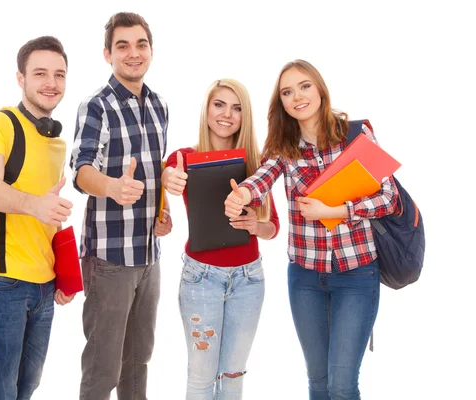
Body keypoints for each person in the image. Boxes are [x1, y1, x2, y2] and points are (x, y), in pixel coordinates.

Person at [224, 60, 399, 400]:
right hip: (305, 278)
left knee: (342, 384)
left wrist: (336, 210)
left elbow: (389, 197)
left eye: (304, 86)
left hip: (357, 274)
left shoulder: (355, 134)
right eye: (287, 92)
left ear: (319, 88)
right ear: (282, 103)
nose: (297, 97)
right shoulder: (282, 146)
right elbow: (262, 179)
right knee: (318, 384)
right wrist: (241, 194)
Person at [69, 12, 171, 400]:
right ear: (108, 54)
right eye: (123, 46)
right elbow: (81, 171)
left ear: (151, 50)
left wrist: (163, 210)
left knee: (138, 362)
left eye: (140, 44)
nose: (133, 53)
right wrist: (112, 186)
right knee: (102, 368)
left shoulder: (159, 105)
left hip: (149, 256)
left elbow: (155, 170)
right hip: (110, 258)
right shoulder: (97, 106)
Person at [0, 36, 75, 399]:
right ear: (21, 78)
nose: (51, 83)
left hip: (44, 287)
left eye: (59, 75)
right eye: (40, 73)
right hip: (0, 284)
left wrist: (62, 275)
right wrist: (35, 205)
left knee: (26, 388)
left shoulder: (57, 143)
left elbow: (50, 213)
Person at [162, 78, 280, 399]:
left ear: (245, 116)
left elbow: (274, 228)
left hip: (248, 280)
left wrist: (256, 225)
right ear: (207, 110)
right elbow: (166, 173)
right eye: (219, 104)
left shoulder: (255, 164)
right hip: (201, 280)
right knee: (201, 376)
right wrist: (166, 176)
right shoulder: (185, 157)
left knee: (233, 376)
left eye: (237, 108)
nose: (227, 114)